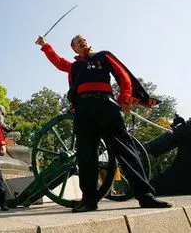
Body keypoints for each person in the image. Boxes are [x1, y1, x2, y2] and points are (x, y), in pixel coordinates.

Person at [35, 34, 172, 212]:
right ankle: (89, 201)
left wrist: (124, 97)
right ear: (74, 49)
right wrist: (45, 45)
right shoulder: (74, 66)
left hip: (106, 106)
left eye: (83, 39)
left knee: (126, 150)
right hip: (83, 110)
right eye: (77, 41)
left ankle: (146, 195)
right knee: (86, 156)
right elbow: (59, 62)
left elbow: (122, 75)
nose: (82, 41)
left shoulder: (103, 56)